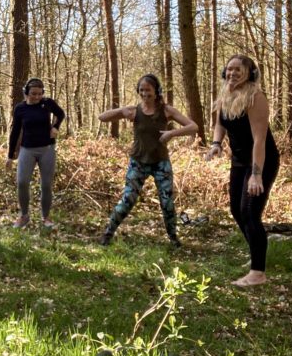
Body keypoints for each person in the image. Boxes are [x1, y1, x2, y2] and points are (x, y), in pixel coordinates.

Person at [206, 54, 280, 287]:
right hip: (238, 162)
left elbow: (259, 140)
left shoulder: (255, 98)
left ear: (250, 73)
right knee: (236, 211)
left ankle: (258, 272)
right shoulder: (226, 95)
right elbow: (220, 123)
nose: (233, 73)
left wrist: (257, 175)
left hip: (261, 161)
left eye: (239, 70)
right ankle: (256, 257)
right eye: (229, 69)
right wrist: (216, 144)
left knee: (249, 212)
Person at [98, 74, 197, 247]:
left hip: (161, 163)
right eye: (141, 90)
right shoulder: (134, 110)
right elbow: (102, 117)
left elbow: (193, 127)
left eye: (148, 90)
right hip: (138, 162)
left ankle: (173, 238)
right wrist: (122, 111)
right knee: (128, 200)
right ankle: (108, 234)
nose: (144, 94)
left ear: (157, 91)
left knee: (167, 202)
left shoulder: (166, 110)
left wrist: (172, 133)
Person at [6, 78, 66, 229]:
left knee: (46, 185)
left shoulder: (47, 103)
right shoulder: (20, 109)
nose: (37, 97)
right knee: (22, 182)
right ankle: (24, 215)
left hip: (47, 149)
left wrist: (55, 127)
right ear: (26, 92)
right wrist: (10, 155)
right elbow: (15, 132)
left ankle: (46, 217)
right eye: (33, 94)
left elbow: (61, 114)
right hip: (27, 149)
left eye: (39, 94)